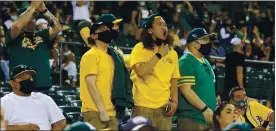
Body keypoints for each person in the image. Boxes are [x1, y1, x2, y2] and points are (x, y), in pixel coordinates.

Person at [130, 14, 180, 130]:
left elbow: (174, 80)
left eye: (165, 25)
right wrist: (159, 54)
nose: (164, 28)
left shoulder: (172, 53)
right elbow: (141, 72)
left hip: (164, 108)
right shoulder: (139, 48)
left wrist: (175, 102)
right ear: (150, 30)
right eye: (159, 24)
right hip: (143, 107)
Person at [80, 22, 133, 130]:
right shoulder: (91, 55)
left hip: (112, 112)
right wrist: (102, 110)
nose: (107, 31)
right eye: (102, 29)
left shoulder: (113, 57)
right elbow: (91, 84)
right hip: (95, 111)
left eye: (107, 28)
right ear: (93, 36)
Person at [5, 1, 62, 93]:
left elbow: (57, 28)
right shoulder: (13, 35)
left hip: (42, 85)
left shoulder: (43, 35)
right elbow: (16, 27)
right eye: (29, 17)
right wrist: (32, 8)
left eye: (34, 17)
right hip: (20, 86)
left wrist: (44, 10)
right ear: (21, 19)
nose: (32, 20)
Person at [0, 65, 66, 130]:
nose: (28, 80)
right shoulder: (3, 102)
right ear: (12, 83)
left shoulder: (44, 98)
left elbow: (60, 122)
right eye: (23, 78)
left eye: (30, 77)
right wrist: (20, 128)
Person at [176, 28, 216, 130]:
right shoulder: (186, 61)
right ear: (194, 43)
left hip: (207, 118)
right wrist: (205, 109)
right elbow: (186, 90)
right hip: (192, 119)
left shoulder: (205, 61)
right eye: (205, 39)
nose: (208, 42)